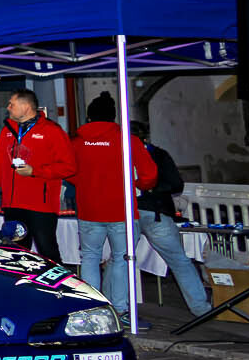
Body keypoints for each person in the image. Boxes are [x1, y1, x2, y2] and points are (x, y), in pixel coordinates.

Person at [71, 95, 162, 325]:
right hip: (122, 210)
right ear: (114, 117)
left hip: (89, 209)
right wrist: (138, 185)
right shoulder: (128, 140)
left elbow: (68, 172)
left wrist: (85, 184)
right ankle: (120, 310)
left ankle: (92, 308)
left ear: (89, 117)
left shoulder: (77, 142)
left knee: (90, 258)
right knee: (122, 259)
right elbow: (150, 175)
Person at [0, 88, 76, 265]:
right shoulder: (7, 130)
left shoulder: (52, 131)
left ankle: (56, 282)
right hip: (12, 204)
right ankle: (20, 282)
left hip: (40, 206)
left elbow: (69, 167)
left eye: (12, 104)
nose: (8, 108)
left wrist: (35, 171)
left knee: (47, 252)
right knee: (16, 254)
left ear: (26, 107)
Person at [128, 119, 209, 319]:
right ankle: (201, 307)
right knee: (180, 261)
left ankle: (118, 306)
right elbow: (175, 184)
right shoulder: (159, 154)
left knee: (120, 260)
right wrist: (154, 189)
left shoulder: (119, 153)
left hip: (128, 212)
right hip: (157, 212)